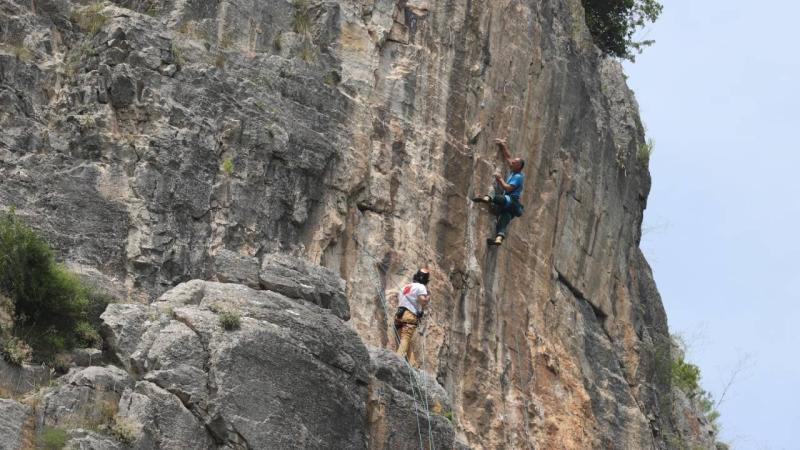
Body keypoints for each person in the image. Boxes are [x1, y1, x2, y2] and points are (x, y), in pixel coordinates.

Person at [472, 138, 524, 246]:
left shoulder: (518, 177)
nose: (512, 162)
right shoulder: (515, 170)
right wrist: (503, 146)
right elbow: (508, 158)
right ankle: (498, 239)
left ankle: (487, 198)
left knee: (496, 196)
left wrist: (500, 179)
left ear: (519, 166)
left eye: (515, 162)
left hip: (511, 201)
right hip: (512, 210)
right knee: (503, 223)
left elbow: (508, 189)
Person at [394, 267, 430, 366]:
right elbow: (423, 300)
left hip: (399, 314)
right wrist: (428, 297)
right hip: (409, 315)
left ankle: (413, 365)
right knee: (405, 338)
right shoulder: (421, 287)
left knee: (403, 340)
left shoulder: (406, 286)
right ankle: (396, 363)